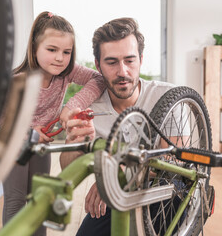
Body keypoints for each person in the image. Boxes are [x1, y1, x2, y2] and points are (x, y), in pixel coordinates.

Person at [59, 17, 175, 236]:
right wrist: (76, 143)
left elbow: (174, 161)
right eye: (111, 62)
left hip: (163, 191)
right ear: (98, 65)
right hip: (116, 195)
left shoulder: (166, 96)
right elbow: (66, 167)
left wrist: (116, 176)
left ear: (140, 59)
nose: (122, 72)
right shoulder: (89, 106)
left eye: (130, 61)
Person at [2, 11, 105, 236]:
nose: (60, 58)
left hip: (42, 147)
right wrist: (29, 133)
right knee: (16, 201)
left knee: (42, 199)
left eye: (66, 52)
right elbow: (0, 124)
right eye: (52, 50)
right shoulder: (18, 81)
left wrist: (71, 105)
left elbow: (98, 79)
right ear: (34, 48)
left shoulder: (65, 74)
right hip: (15, 147)